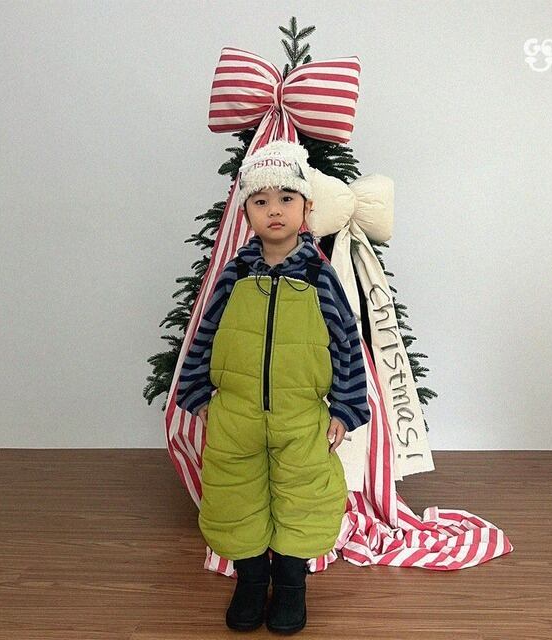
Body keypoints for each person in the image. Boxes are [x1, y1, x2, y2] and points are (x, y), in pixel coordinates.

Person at [175, 140, 370, 634]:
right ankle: (249, 580)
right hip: (235, 415)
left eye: (286, 198)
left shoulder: (320, 276)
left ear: (306, 207)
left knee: (304, 498)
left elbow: (346, 342)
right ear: (246, 213)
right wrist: (196, 393)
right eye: (261, 201)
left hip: (300, 417)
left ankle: (289, 585)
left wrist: (346, 408)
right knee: (233, 496)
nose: (274, 210)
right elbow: (206, 332)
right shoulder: (235, 274)